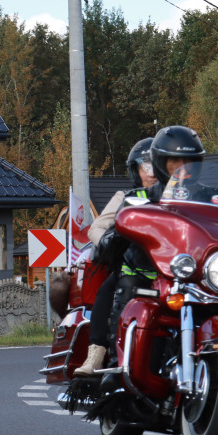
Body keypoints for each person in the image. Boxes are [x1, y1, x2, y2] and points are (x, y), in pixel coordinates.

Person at [75, 138, 158, 376]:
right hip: (136, 268)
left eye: (157, 165)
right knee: (107, 290)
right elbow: (95, 228)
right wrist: (108, 242)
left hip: (174, 270)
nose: (152, 173)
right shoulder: (126, 196)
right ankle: (96, 355)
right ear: (136, 170)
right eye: (146, 166)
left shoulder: (180, 198)